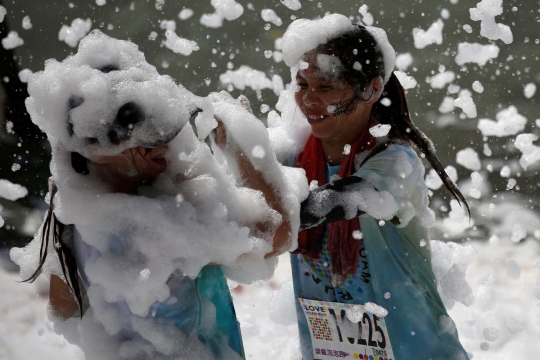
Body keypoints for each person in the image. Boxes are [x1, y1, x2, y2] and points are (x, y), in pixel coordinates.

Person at [11, 30, 295, 360]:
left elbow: (64, 310)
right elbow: (276, 232)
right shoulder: (153, 225)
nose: (165, 145)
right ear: (100, 151)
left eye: (165, 130)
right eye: (148, 137)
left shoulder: (68, 219)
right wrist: (242, 144)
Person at [281, 15, 471, 359]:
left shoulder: (396, 161)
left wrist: (266, 203)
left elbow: (334, 201)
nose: (308, 101)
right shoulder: (294, 159)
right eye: (302, 85)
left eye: (325, 88)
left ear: (371, 88)